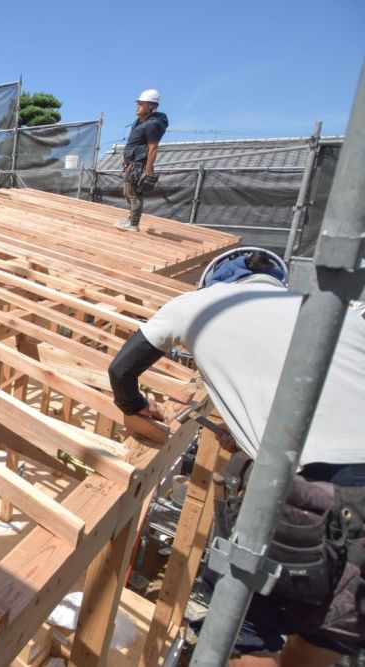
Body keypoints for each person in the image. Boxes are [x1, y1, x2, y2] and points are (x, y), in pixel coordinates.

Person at [108, 248, 365, 666]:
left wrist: (134, 407)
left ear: (213, 282)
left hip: (308, 491)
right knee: (327, 634)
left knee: (248, 631)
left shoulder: (200, 304)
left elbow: (122, 369)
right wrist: (252, 437)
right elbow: (332, 405)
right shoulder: (332, 313)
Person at [115, 89, 168, 232]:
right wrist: (126, 159)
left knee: (133, 193)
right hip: (132, 162)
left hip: (139, 164)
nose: (137, 106)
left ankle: (133, 224)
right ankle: (131, 219)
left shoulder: (152, 125)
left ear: (151, 106)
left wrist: (148, 170)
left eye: (141, 104)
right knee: (128, 192)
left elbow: (153, 147)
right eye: (138, 103)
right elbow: (135, 143)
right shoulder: (139, 121)